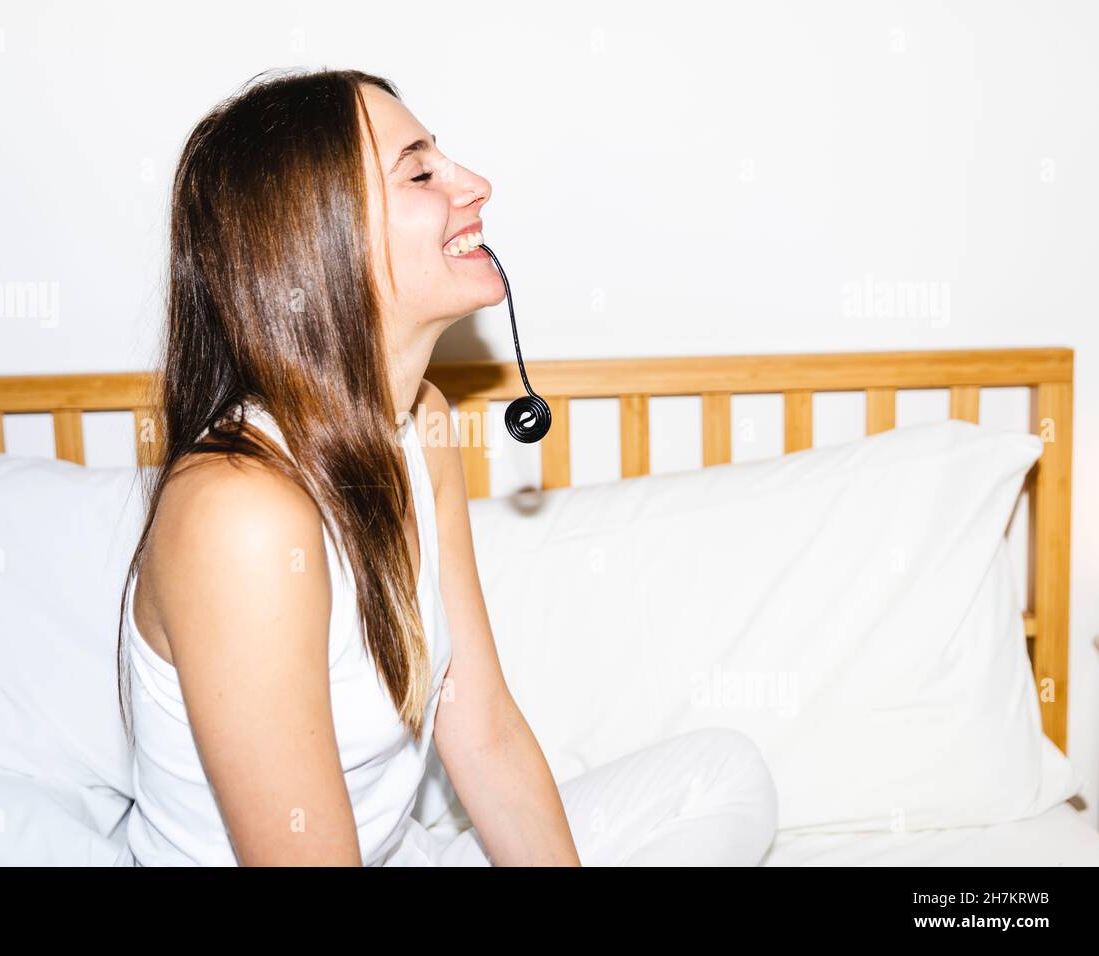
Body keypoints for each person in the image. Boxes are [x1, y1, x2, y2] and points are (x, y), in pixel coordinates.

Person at [114, 67, 779, 866]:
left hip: (398, 853)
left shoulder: (424, 423)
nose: (477, 186)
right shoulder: (239, 515)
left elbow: (486, 735)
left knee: (724, 779)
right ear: (318, 238)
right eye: (422, 172)